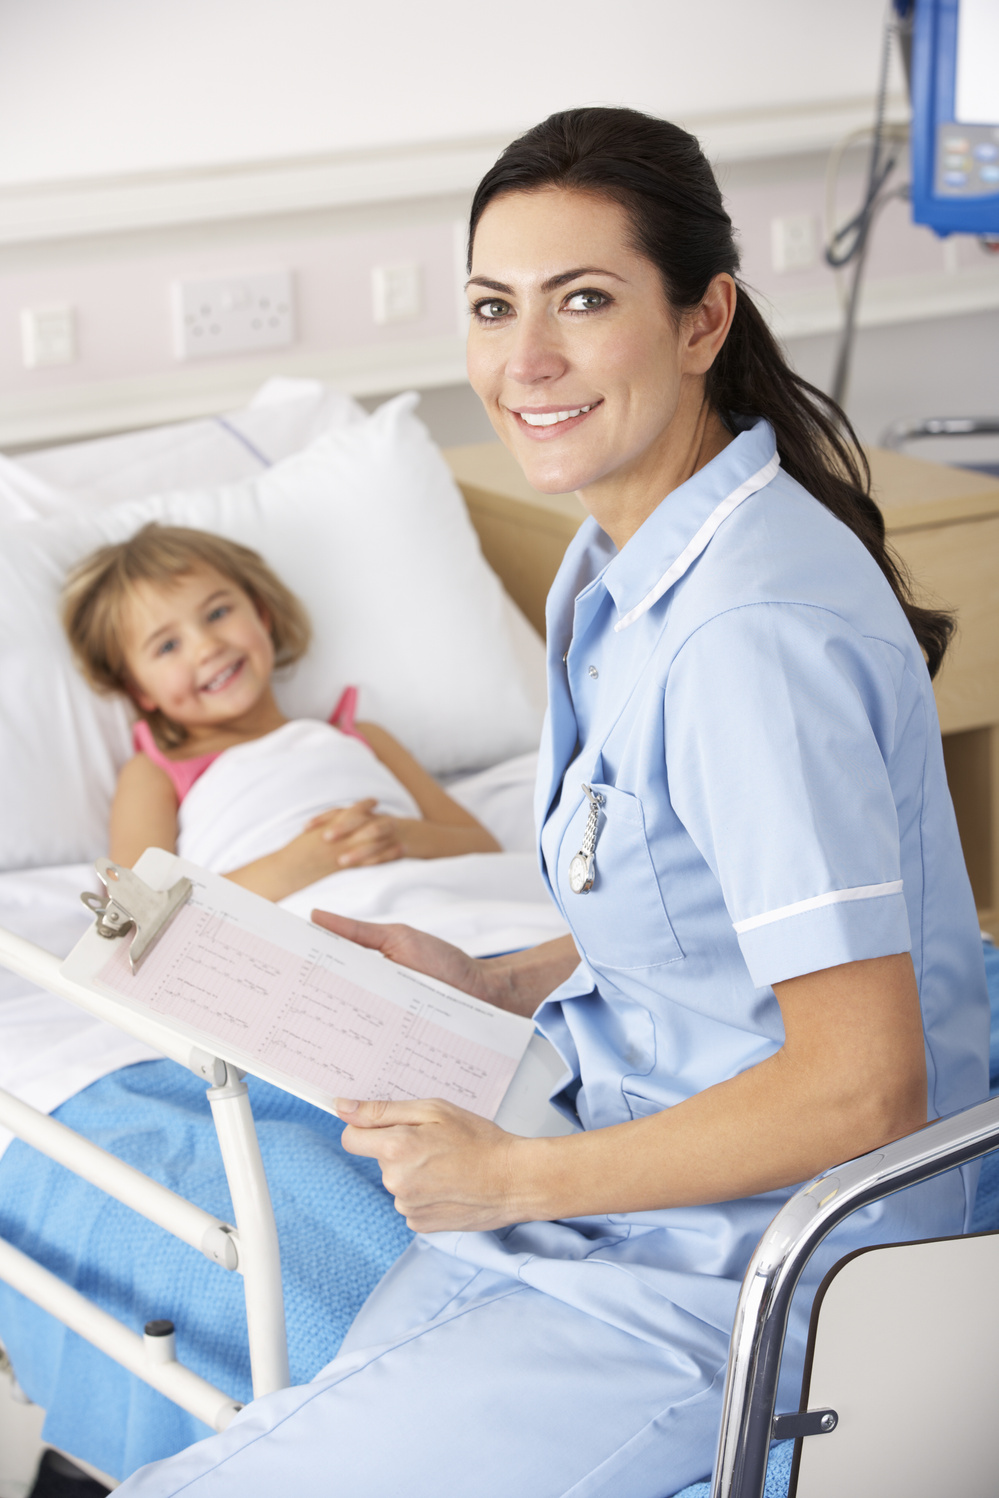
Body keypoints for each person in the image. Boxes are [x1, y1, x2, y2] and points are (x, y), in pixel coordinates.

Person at [116, 107, 988, 1498]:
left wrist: (510, 1180)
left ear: (705, 320)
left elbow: (861, 1082)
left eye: (581, 301)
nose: (522, 362)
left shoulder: (746, 634)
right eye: (490, 306)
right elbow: (694, 905)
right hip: (617, 1198)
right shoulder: (614, 564)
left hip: (743, 1272)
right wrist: (497, 974)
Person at [61, 523, 499, 897]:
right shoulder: (156, 773)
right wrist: (302, 863)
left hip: (431, 904)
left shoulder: (362, 737)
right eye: (168, 645)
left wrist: (403, 837)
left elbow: (484, 848)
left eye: (217, 612)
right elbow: (139, 915)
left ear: (262, 615)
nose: (207, 646)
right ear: (138, 689)